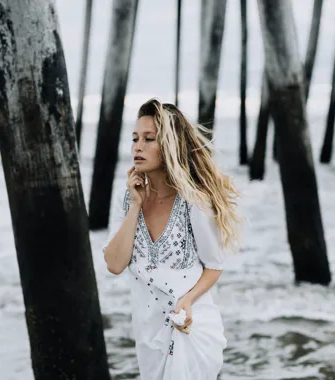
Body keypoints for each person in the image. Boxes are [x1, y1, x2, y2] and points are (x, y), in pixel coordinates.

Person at [102, 98, 242, 379]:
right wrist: (135, 206)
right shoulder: (127, 198)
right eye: (135, 139)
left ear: (169, 145)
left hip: (189, 328)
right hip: (147, 332)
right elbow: (115, 264)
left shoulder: (194, 203)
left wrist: (188, 301)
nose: (138, 147)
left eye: (149, 139)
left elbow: (214, 265)